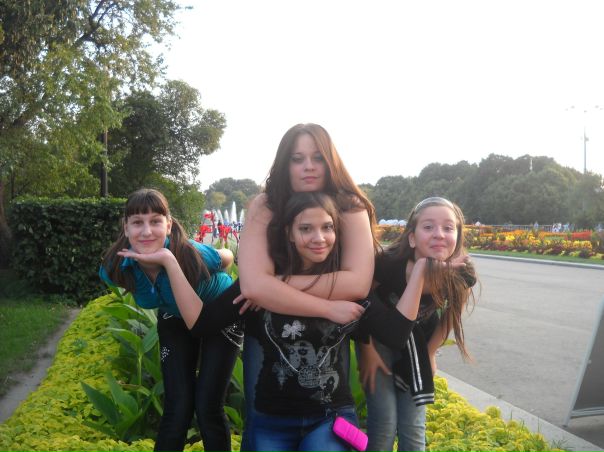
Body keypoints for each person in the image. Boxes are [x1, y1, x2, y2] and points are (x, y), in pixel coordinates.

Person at [129, 191, 422, 452]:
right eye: (305, 228)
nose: (319, 238)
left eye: (327, 227)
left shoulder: (345, 287)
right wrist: (170, 261)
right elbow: (203, 324)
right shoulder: (258, 289)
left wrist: (421, 267)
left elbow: (395, 333)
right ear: (289, 233)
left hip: (329, 416)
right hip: (271, 420)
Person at [98, 188, 240, 452]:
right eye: (137, 222)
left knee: (208, 405)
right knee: (177, 404)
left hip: (218, 314)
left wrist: (172, 262)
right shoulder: (115, 267)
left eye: (155, 221)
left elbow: (227, 257)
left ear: (168, 225)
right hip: (175, 314)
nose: (146, 231)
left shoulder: (189, 253)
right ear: (126, 227)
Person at [357, 197, 478, 452]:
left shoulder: (461, 272)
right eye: (428, 227)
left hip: (417, 347)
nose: (439, 234)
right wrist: (366, 351)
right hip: (377, 343)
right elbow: (361, 301)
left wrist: (431, 353)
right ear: (412, 238)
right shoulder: (388, 263)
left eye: (448, 228)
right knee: (385, 422)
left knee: (413, 427)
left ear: (458, 236)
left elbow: (450, 316)